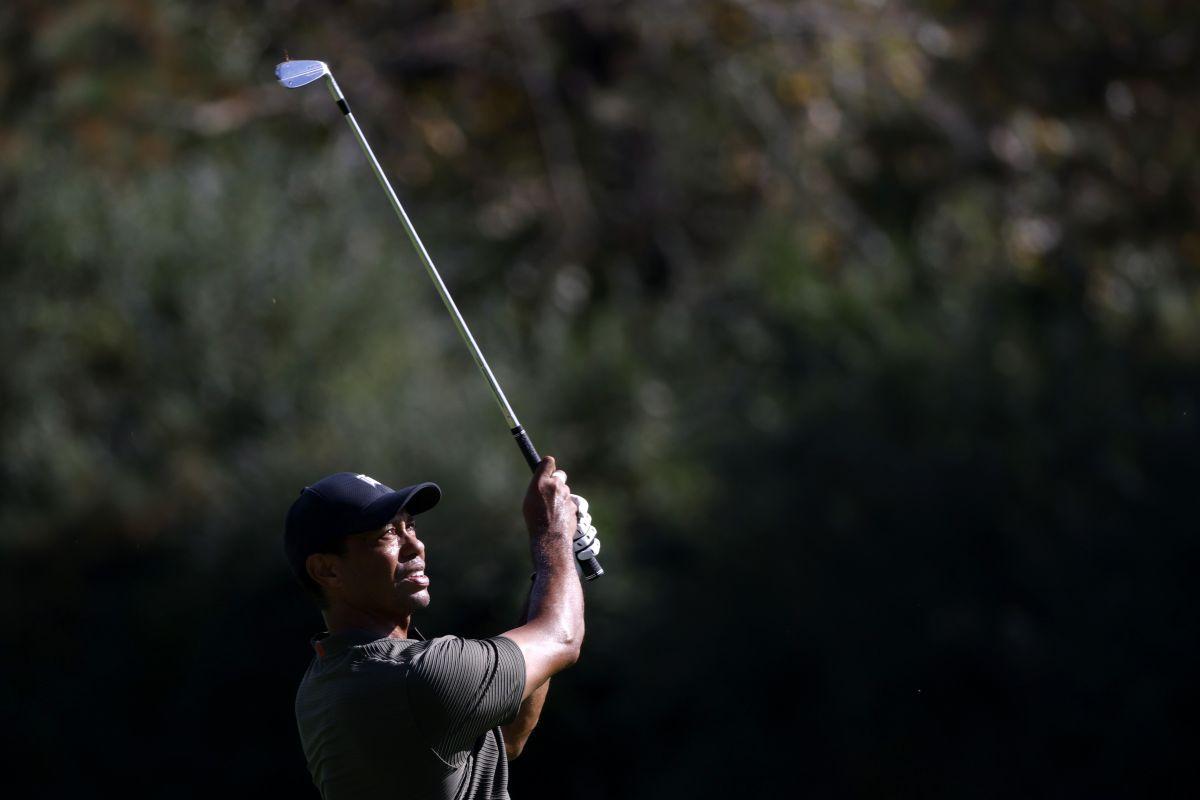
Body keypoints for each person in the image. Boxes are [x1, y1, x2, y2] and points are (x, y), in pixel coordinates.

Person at [283, 456, 600, 800]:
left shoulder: (323, 681)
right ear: (327, 571)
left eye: (411, 525)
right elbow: (561, 637)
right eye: (387, 533)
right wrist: (552, 532)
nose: (414, 545)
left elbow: (508, 737)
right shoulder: (416, 676)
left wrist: (554, 566)